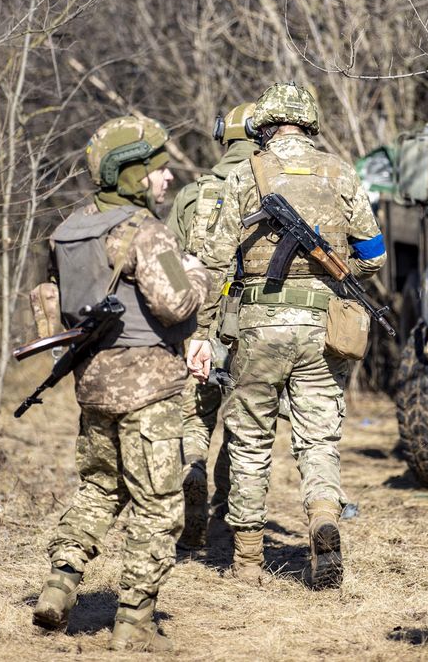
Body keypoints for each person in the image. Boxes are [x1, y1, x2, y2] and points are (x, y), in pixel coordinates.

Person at [185, 82, 386, 589]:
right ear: (310, 122)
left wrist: (204, 332)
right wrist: (339, 275)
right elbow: (376, 253)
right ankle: (322, 518)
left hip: (258, 326)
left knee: (250, 441)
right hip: (324, 329)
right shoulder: (341, 172)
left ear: (265, 124)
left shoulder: (246, 173)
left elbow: (213, 259)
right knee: (319, 438)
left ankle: (248, 562)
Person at [31, 115, 209, 652]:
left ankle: (60, 586)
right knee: (157, 504)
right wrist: (196, 271)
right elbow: (176, 302)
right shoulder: (145, 232)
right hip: (149, 389)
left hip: (94, 384)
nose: (168, 178)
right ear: (131, 174)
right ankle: (134, 620)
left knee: (100, 489)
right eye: (158, 170)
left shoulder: (67, 230)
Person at [166, 102, 258, 548]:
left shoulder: (191, 194)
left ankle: (193, 472)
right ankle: (228, 511)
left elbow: (168, 263)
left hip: (198, 321)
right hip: (254, 319)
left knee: (195, 415)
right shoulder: (267, 187)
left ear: (225, 137)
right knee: (244, 420)